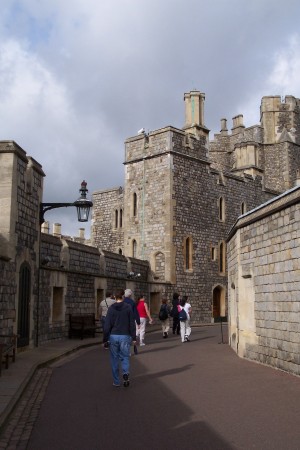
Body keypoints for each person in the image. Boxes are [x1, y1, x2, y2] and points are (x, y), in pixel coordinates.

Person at [103, 289, 136, 387]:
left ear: (115, 297)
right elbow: (131, 324)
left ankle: (116, 381)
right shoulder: (128, 307)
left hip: (113, 336)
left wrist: (105, 339)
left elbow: (107, 325)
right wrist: (134, 337)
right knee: (125, 357)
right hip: (125, 335)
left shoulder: (111, 308)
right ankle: (125, 373)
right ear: (122, 297)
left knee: (114, 358)